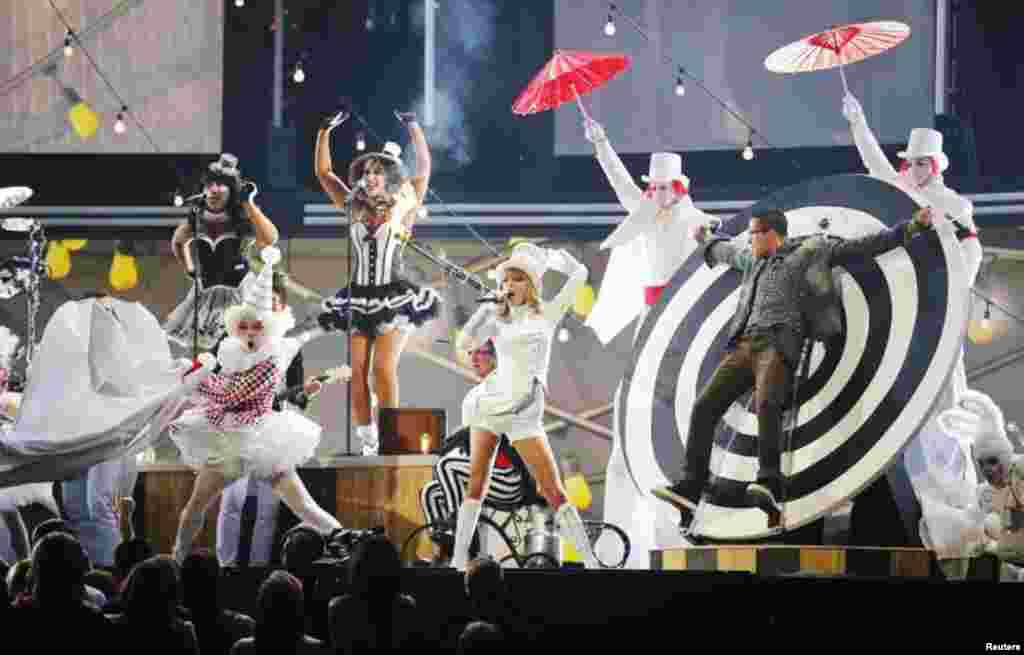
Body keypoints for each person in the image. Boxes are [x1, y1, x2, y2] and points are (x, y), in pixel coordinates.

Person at [652, 206, 938, 530]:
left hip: (780, 342)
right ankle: (690, 487)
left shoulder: (812, 252)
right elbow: (726, 251)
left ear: (773, 234)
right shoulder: (753, 260)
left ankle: (769, 484)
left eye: (755, 232)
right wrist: (706, 238)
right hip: (745, 344)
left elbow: (863, 246)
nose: (750, 238)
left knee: (766, 405)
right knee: (704, 407)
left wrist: (912, 226)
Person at [581, 117, 715, 565]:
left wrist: (709, 236)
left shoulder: (694, 219)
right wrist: (601, 142)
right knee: (634, 409)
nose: (657, 195)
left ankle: (675, 527)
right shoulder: (644, 215)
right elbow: (619, 180)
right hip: (649, 316)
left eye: (665, 188)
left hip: (680, 320)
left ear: (679, 188)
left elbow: (714, 238)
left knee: (677, 410)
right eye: (653, 189)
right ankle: (627, 537)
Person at [169, 246, 342, 564]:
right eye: (245, 326)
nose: (250, 333)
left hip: (265, 440)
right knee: (198, 506)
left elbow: (230, 394)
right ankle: (177, 563)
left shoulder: (275, 356)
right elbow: (223, 390)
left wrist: (197, 378)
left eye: (257, 326)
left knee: (301, 507)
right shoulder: (230, 350)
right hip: (227, 439)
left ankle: (352, 548)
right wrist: (197, 375)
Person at [452, 242, 599, 570]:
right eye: (505, 280)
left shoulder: (548, 312)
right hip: (490, 403)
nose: (509, 286)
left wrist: (557, 258)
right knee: (476, 483)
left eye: (517, 279)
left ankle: (590, 562)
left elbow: (580, 273)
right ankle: (458, 561)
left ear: (531, 284)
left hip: (524, 411)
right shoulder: (495, 314)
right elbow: (464, 343)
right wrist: (485, 308)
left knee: (554, 490)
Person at [314, 106, 440, 456]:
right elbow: (324, 173)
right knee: (356, 375)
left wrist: (414, 126)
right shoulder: (353, 207)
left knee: (383, 371)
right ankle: (368, 439)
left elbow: (425, 168)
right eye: (366, 172)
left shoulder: (404, 205)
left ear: (389, 178)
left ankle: (391, 437)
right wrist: (324, 130)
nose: (370, 177)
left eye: (378, 172)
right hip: (358, 298)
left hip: (394, 297)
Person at [418, 339, 540, 562]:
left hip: (510, 479)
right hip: (483, 477)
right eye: (471, 352)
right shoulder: (479, 394)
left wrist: (454, 440)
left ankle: (461, 536)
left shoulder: (507, 389)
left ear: (495, 357)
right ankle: (443, 551)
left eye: (480, 353)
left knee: (448, 465)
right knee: (431, 492)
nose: (473, 358)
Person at [166, 153, 279, 352]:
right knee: (205, 355)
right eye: (210, 184)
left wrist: (248, 203)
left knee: (239, 348)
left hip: (239, 292)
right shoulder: (197, 217)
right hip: (205, 294)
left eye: (221, 184)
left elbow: (271, 238)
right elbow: (177, 242)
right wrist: (189, 268)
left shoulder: (241, 216)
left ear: (231, 190)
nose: (214, 189)